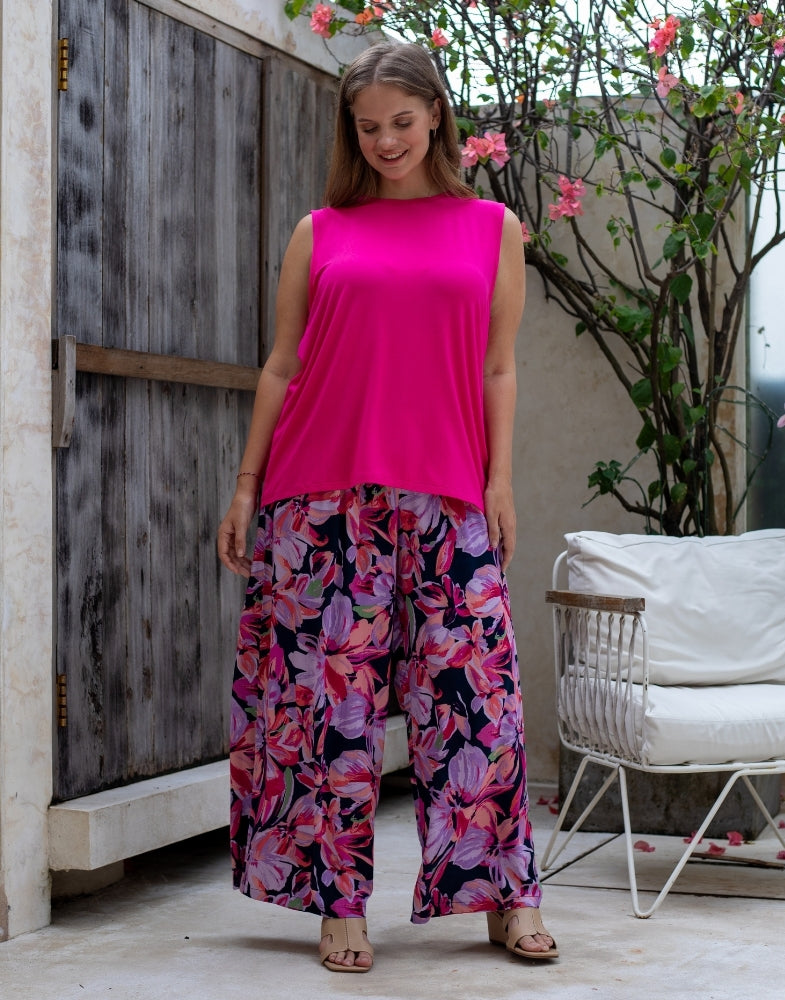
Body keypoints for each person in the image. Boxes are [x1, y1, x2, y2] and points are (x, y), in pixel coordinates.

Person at [217, 40, 558, 973]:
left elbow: (498, 365)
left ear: (437, 116)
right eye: (367, 128)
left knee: (478, 703)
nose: (385, 142)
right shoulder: (318, 230)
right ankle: (339, 905)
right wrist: (247, 484)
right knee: (331, 714)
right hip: (317, 498)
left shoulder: (493, 227)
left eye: (401, 123)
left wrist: (500, 480)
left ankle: (502, 895)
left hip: (450, 492)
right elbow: (283, 364)